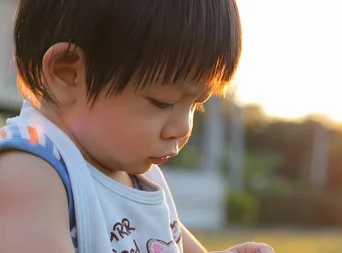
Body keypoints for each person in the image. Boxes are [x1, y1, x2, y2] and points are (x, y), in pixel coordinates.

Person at [0, 0, 274, 253]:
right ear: (67, 73)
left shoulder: (143, 177)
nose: (183, 128)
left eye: (196, 105)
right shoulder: (29, 174)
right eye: (162, 102)